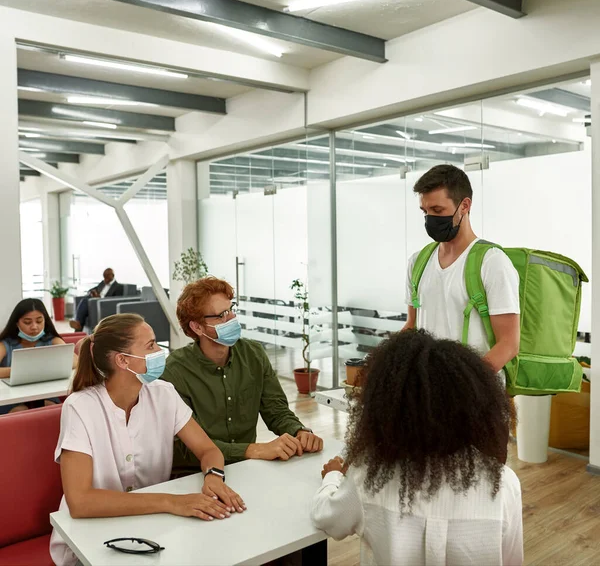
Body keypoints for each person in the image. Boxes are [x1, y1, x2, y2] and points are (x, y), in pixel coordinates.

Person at [311, 329, 523, 566]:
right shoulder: (505, 486)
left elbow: (325, 518)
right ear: (475, 404)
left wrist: (332, 476)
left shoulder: (366, 478)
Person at [50, 313, 246, 566]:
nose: (160, 351)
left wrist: (214, 476)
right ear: (123, 360)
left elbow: (208, 450)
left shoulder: (164, 393)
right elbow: (80, 502)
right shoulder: (80, 407)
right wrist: (170, 502)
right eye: (151, 345)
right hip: (89, 536)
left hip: (153, 525)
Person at [161, 276, 323, 476]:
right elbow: (186, 447)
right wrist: (253, 449)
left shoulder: (253, 354)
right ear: (197, 327)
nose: (231, 319)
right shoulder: (175, 371)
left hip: (246, 468)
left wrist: (299, 431)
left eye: (231, 310)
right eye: (221, 315)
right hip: (193, 475)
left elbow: (276, 410)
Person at [404, 165, 520, 376]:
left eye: (438, 211)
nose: (430, 219)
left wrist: (464, 386)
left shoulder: (492, 262)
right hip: (427, 391)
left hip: (476, 396)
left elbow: (509, 344)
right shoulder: (418, 262)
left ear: (464, 206)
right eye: (425, 211)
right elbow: (411, 325)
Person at [0, 298, 66, 414]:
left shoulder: (52, 341)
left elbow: (75, 361)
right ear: (16, 323)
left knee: (51, 409)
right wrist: (21, 371)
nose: (34, 327)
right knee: (20, 412)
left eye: (39, 321)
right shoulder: (6, 344)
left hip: (46, 393)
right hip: (11, 397)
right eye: (27, 322)